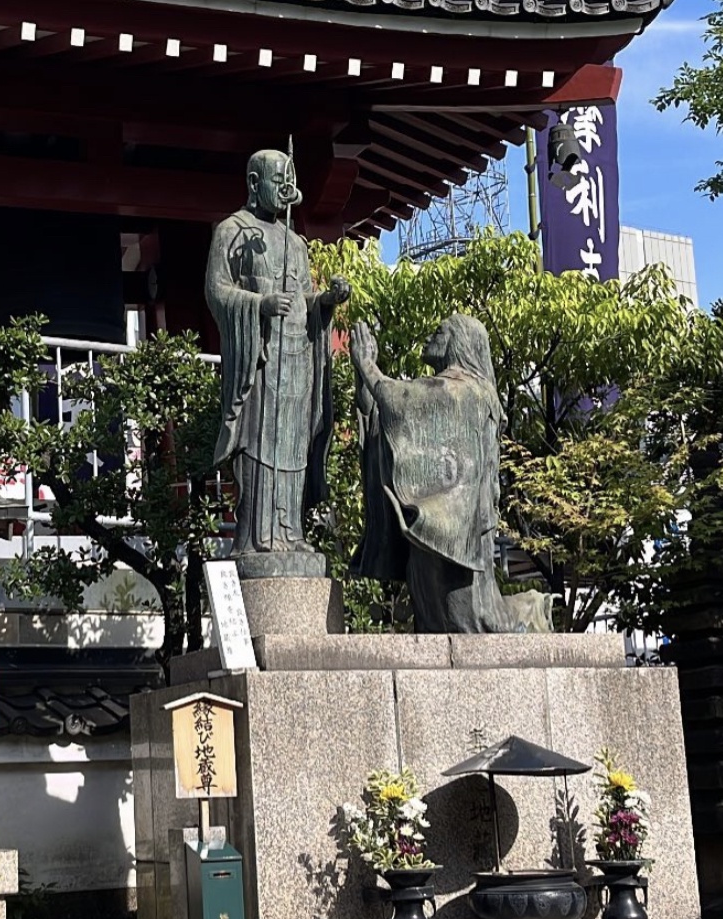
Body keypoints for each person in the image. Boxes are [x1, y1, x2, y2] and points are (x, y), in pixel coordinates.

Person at [205, 149, 349, 575]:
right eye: (278, 179)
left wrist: (324, 301)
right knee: (259, 445)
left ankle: (291, 531)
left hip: (298, 358)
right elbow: (217, 291)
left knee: (293, 448)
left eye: (291, 178)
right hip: (261, 358)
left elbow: (303, 299)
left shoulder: (296, 242)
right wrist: (260, 303)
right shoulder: (232, 231)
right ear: (254, 183)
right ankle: (255, 536)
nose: (287, 189)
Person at [350, 311, 519, 633]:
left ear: (460, 343)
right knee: (432, 617)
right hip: (435, 533)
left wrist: (368, 366)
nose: (430, 336)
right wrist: (364, 380)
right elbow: (387, 425)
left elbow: (403, 403)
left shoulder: (468, 391)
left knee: (460, 621)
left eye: (440, 332)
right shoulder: (454, 390)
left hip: (455, 538)